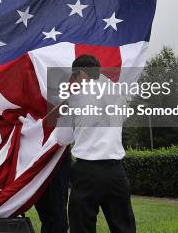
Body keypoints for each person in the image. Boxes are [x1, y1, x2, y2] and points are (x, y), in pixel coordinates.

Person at [57, 55, 136, 233]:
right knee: (124, 227)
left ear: (81, 73)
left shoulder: (73, 99)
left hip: (86, 173)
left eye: (74, 75)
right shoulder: (119, 97)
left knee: (82, 227)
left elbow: (62, 138)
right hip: (116, 172)